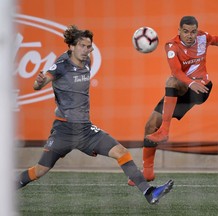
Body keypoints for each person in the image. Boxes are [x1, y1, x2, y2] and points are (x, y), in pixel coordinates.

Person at [16, 25, 173, 204]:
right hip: (63, 131)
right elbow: (40, 84)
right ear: (71, 47)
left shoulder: (88, 61)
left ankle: (149, 192)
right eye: (82, 46)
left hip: (85, 130)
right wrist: (39, 82)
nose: (86, 50)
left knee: (121, 152)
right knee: (39, 171)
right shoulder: (60, 66)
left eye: (89, 46)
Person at [128, 16, 218, 186]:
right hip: (183, 90)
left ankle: (165, 131)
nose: (190, 35)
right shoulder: (171, 46)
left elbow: (217, 40)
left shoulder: (203, 37)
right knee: (150, 125)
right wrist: (191, 83)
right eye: (186, 31)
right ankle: (148, 172)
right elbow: (176, 72)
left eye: (193, 31)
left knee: (170, 82)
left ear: (197, 31)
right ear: (179, 31)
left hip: (201, 89)